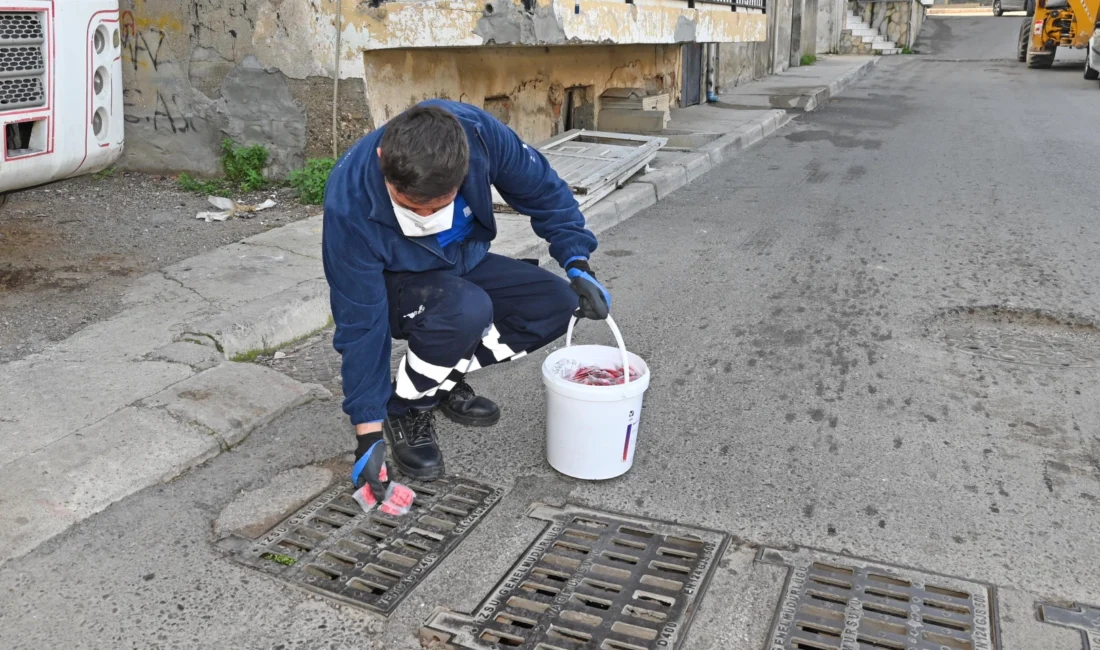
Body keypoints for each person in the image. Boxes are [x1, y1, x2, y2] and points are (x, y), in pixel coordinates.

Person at [322, 100, 611, 508]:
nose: (425, 215)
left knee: (557, 304)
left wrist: (578, 263)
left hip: (460, 262)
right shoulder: (348, 200)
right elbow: (359, 324)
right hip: (396, 286)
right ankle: (405, 408)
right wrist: (367, 434)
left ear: (466, 167)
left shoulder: (480, 139)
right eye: (409, 205)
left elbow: (545, 193)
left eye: (438, 205)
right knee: (465, 309)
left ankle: (436, 380)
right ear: (384, 159)